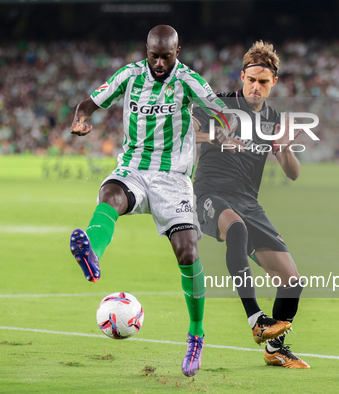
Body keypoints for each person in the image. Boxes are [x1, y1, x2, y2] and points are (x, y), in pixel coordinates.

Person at [68, 25, 229, 377]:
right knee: (110, 195)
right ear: (146, 51)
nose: (158, 63)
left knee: (187, 251)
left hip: (173, 178)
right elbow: (90, 103)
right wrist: (80, 119)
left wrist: (227, 130)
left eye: (166, 57)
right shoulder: (129, 75)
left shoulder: (188, 80)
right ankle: (91, 253)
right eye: (153, 55)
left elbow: (219, 108)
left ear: (178, 52)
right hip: (134, 169)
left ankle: (197, 334)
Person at [193, 41, 310, 369]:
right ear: (242, 77)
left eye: (263, 82)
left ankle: (275, 349)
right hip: (210, 193)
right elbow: (187, 131)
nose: (255, 87)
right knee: (236, 228)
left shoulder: (274, 120)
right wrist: (214, 136)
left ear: (273, 83)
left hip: (248, 201)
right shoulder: (220, 105)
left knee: (292, 281)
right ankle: (256, 318)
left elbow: (293, 174)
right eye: (250, 79)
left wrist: (284, 148)